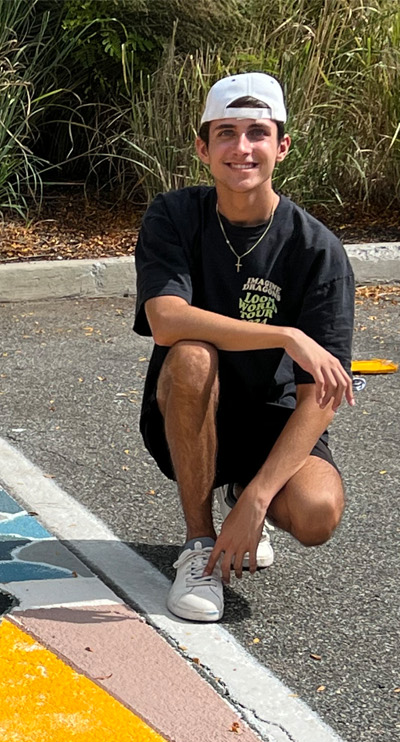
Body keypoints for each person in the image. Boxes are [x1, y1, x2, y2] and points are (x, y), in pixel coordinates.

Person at [133, 72, 355, 622]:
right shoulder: (174, 215)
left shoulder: (317, 249)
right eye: (226, 132)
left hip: (272, 417)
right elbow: (166, 320)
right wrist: (284, 333)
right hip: (191, 407)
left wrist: (257, 503)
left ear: (280, 145)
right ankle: (198, 545)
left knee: (317, 513)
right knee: (191, 353)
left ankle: (242, 491)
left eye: (257, 132)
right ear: (203, 148)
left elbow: (320, 395)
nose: (242, 147)